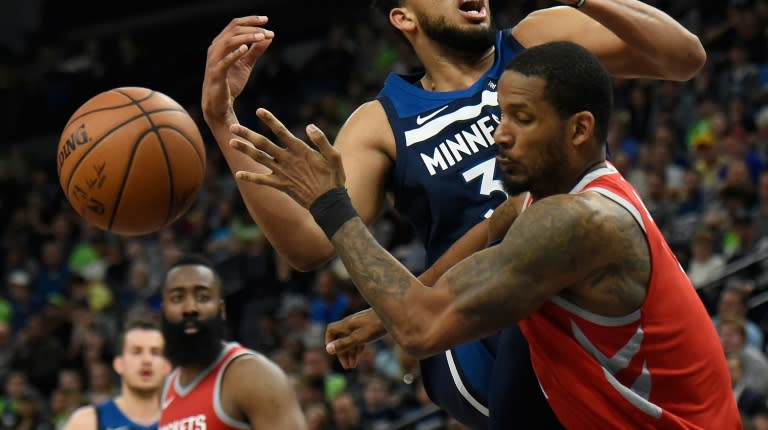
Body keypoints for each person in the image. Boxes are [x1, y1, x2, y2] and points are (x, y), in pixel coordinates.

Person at [201, 0, 706, 428]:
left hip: (572, 280)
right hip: (469, 329)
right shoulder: (382, 120)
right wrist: (224, 123)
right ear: (404, 18)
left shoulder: (534, 44)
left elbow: (683, 57)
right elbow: (308, 243)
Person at [228, 41, 740, 429]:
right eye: (500, 115)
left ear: (580, 130)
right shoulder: (550, 198)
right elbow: (496, 222)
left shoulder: (578, 223)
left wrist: (330, 202)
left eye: (522, 118)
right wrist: (390, 308)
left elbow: (422, 331)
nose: (500, 134)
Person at [158, 253, 306, 430]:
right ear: (164, 311)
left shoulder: (253, 375)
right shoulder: (165, 389)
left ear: (221, 310)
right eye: (177, 298)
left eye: (203, 297)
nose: (190, 308)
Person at [62, 319, 170, 430]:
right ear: (119, 364)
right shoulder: (87, 421)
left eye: (155, 352)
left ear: (167, 366)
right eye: (136, 352)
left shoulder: (183, 421)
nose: (147, 360)